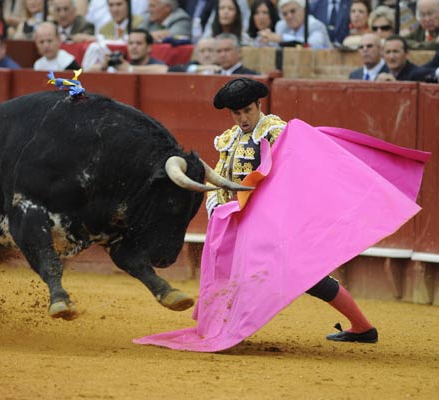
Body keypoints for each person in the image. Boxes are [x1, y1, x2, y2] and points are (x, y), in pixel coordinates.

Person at [206, 77, 379, 343]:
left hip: (274, 222)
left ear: (258, 104)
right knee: (254, 275)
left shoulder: (276, 130)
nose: (242, 119)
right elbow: (221, 176)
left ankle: (363, 327)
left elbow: (299, 168)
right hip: (241, 222)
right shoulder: (230, 138)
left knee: (303, 276)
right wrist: (216, 208)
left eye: (247, 111)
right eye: (236, 113)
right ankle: (363, 327)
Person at [259, 0, 332, 48]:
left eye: (293, 11)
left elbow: (312, 45)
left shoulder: (316, 25)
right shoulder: (281, 26)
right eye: (285, 14)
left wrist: (283, 38)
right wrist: (267, 40)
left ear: (303, 10)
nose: (289, 16)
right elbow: (278, 47)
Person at [89, 28, 168, 72]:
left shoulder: (155, 64)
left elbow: (165, 70)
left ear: (149, 48)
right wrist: (103, 67)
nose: (134, 47)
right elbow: (87, 72)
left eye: (139, 43)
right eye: (131, 43)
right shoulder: (123, 62)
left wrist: (130, 69)